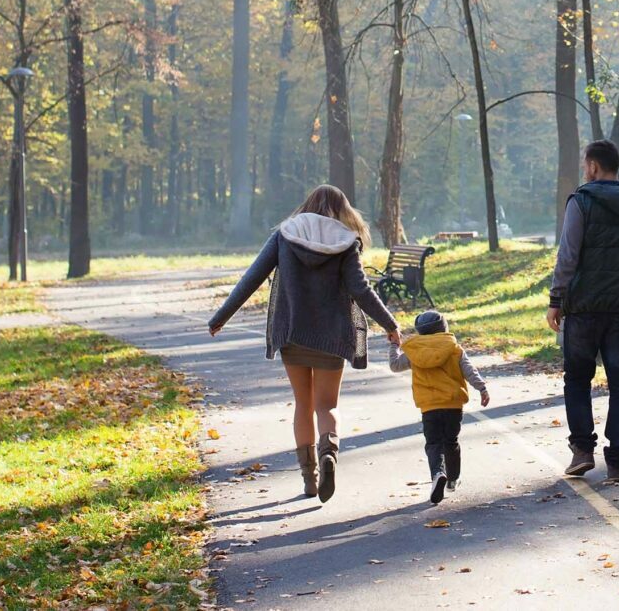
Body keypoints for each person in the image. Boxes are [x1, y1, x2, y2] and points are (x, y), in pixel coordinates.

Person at [208, 185, 401, 503]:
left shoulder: (285, 235)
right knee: (327, 406)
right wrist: (390, 325)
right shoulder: (346, 241)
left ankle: (310, 480)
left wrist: (221, 317)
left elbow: (252, 277)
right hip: (332, 336)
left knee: (303, 405)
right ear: (342, 209)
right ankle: (329, 453)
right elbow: (361, 290)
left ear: (307, 205)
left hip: (293, 333)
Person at [546, 140, 619, 483]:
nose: (584, 170)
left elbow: (568, 255)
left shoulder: (581, 202)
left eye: (585, 165)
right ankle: (617, 462)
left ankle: (582, 450)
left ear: (593, 166)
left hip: (585, 308)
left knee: (578, 379)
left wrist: (556, 299)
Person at [389, 310, 490, 504]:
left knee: (433, 443)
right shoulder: (453, 348)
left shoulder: (415, 350)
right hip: (453, 405)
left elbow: (395, 365)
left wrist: (395, 345)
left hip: (429, 406)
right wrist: (482, 389)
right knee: (451, 442)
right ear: (444, 327)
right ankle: (452, 479)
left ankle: (437, 473)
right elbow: (469, 370)